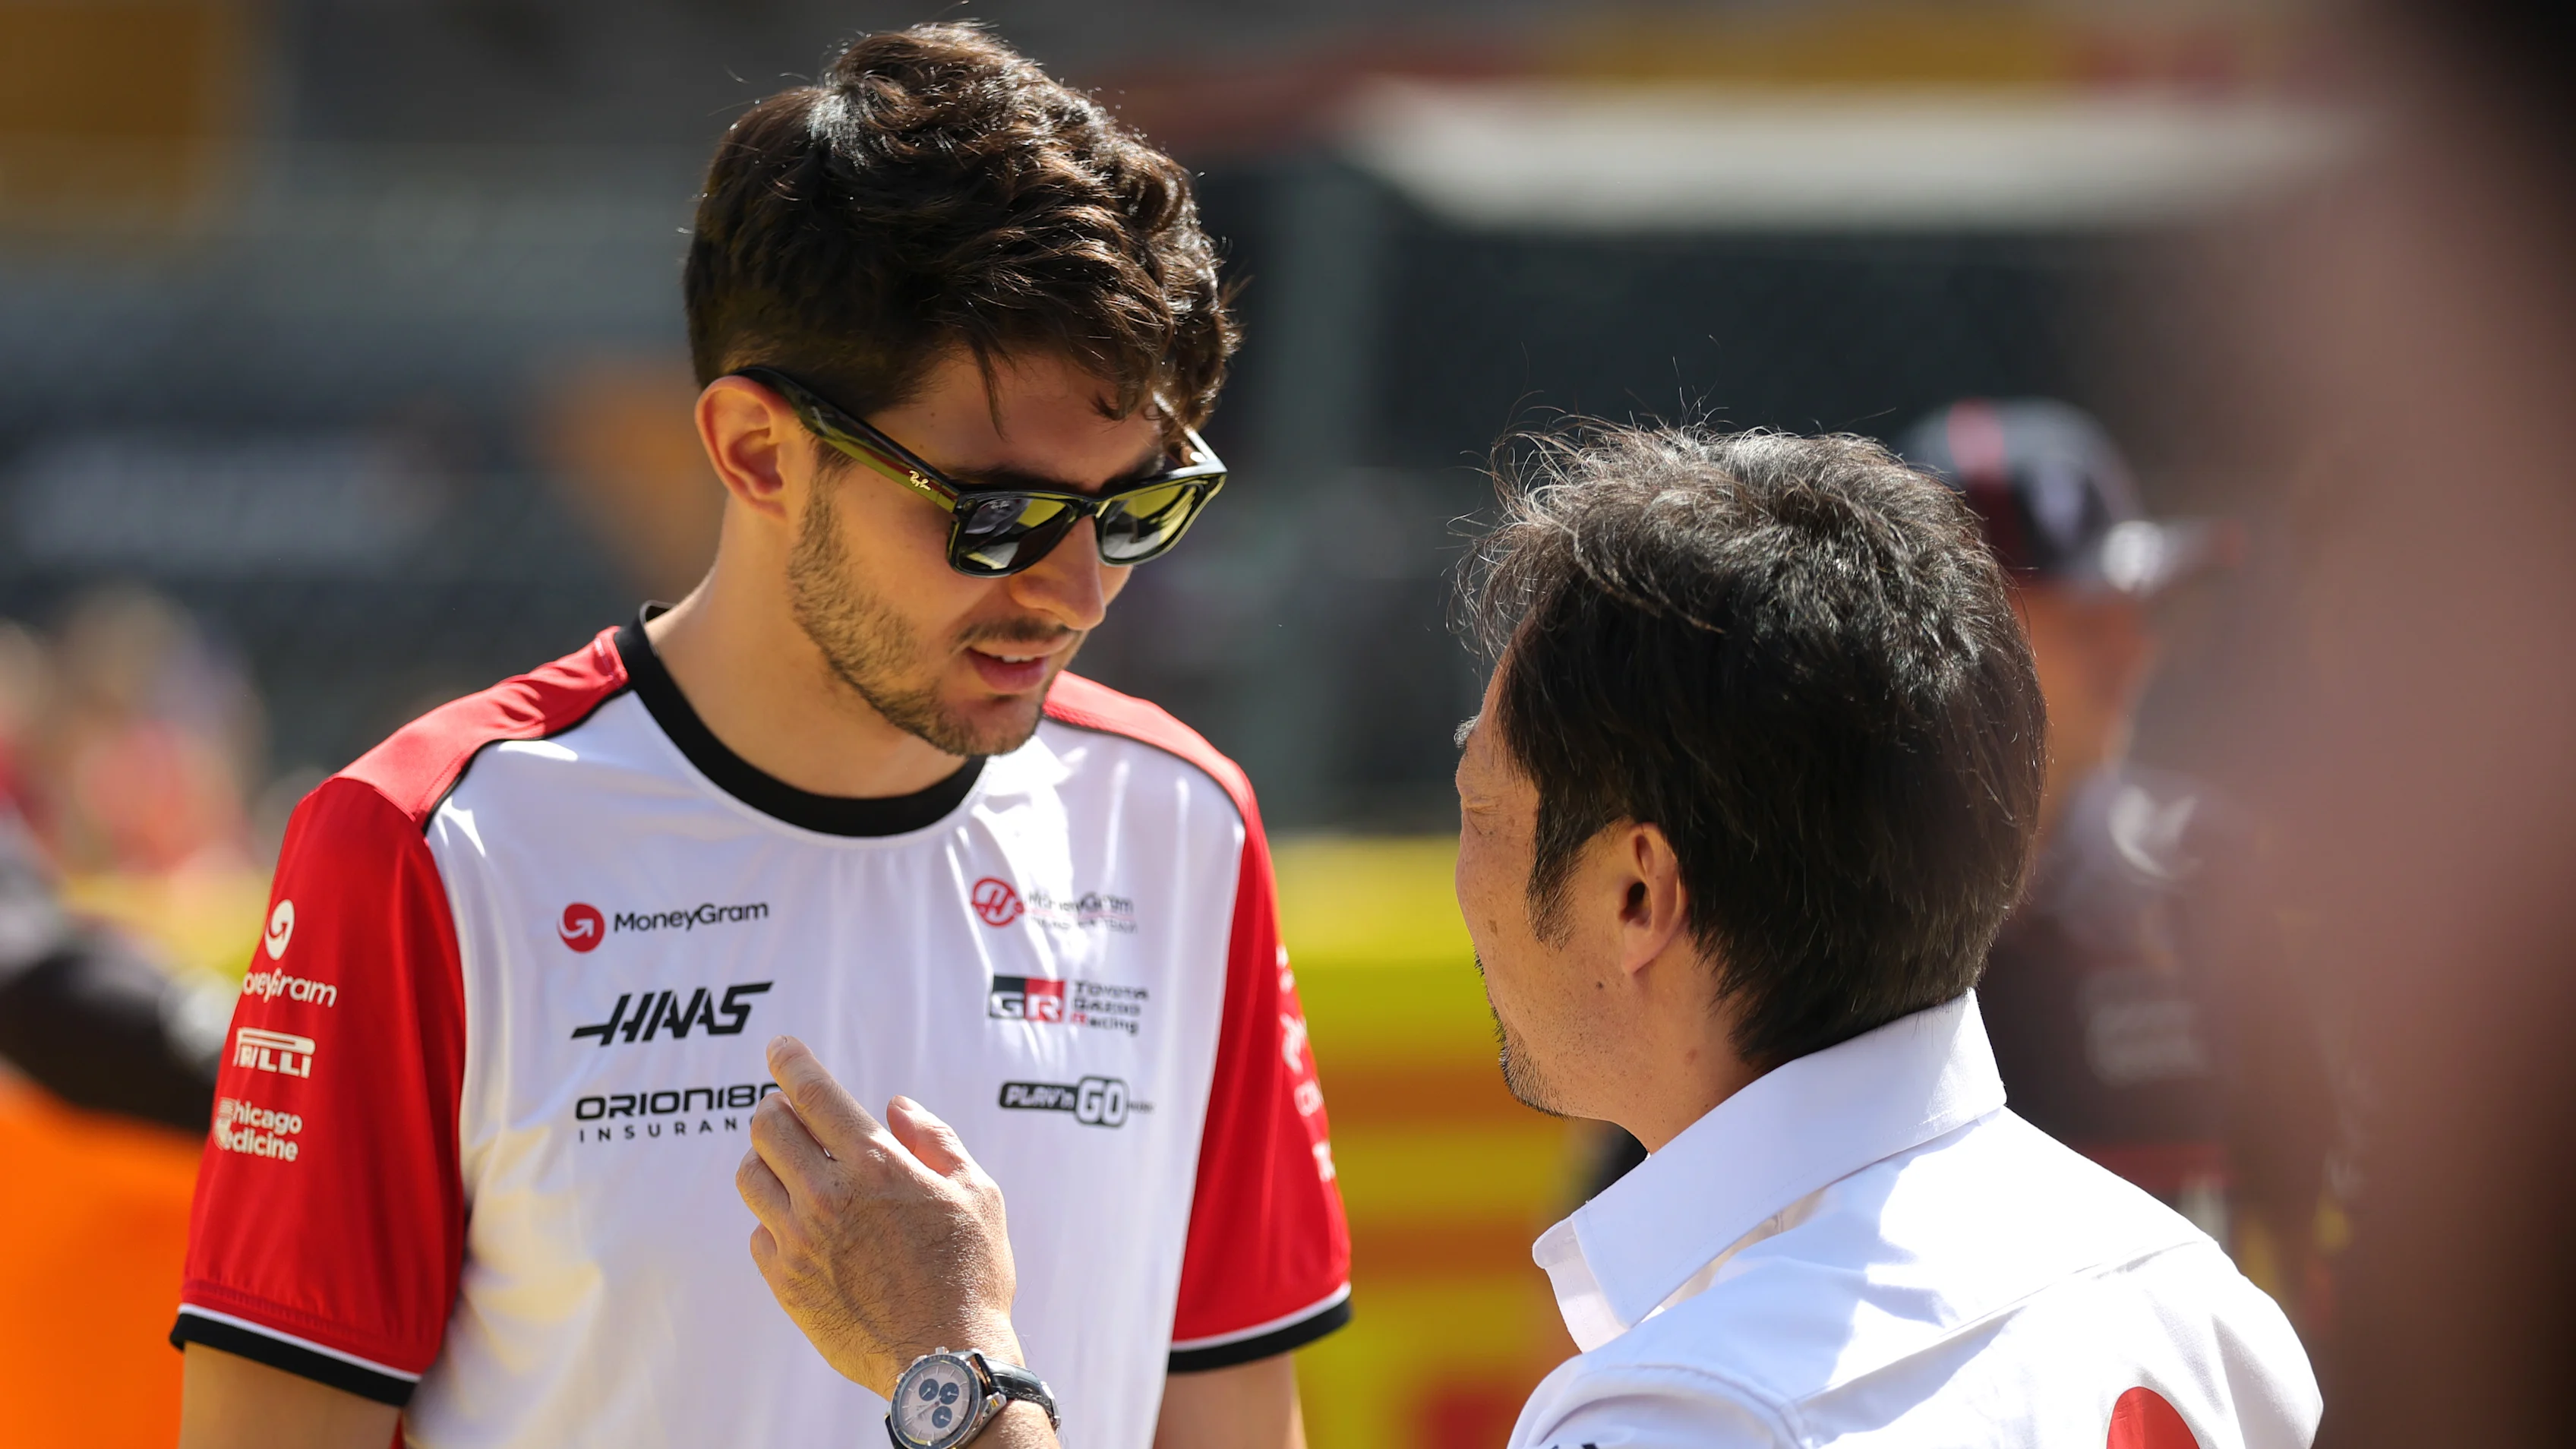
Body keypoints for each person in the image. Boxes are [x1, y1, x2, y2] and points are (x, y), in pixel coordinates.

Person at [172, 24, 1348, 1449]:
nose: (1077, 589)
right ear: (754, 450)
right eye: (995, 513)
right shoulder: (429, 844)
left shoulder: (1178, 822)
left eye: (1135, 505)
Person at [731, 425, 2320, 1448]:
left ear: (1637, 895)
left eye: (1480, 810)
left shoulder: (1698, 1416)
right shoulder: (2195, 1299)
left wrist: (957, 1382)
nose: (1465, 878)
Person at [1895, 399, 2339, 1324]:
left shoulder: (2205, 876)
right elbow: (1618, 1301)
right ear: (1947, 632)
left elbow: (2304, 1248)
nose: (2134, 647)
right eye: (2083, 615)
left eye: (2137, 608)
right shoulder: (1804, 909)